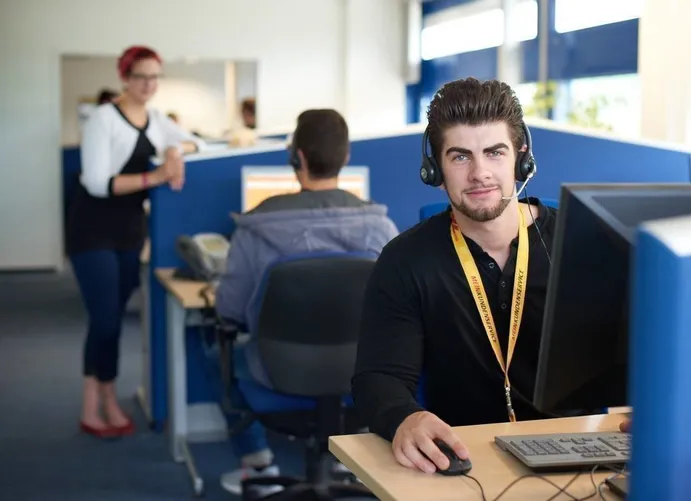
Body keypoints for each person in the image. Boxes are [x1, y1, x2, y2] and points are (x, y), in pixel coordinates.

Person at [351, 77, 630, 475]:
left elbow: (636, 355)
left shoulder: (583, 244)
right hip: (463, 458)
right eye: (460, 157)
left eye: (495, 153)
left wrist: (648, 409)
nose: (479, 173)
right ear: (435, 170)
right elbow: (379, 376)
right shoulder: (406, 259)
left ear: (521, 159)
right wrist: (403, 417)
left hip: (577, 456)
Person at [214, 108, 399, 495]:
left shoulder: (255, 229)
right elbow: (398, 311)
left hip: (276, 373)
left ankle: (258, 463)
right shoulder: (381, 228)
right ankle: (347, 457)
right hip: (362, 377)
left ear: (296, 157)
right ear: (346, 157)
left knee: (214, 346)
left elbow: (228, 311)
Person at [66, 45, 204, 439]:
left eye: (155, 77)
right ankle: (100, 402)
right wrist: (155, 177)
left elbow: (198, 143)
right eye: (141, 76)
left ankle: (100, 398)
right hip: (92, 229)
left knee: (107, 319)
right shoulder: (103, 119)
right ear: (125, 78)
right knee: (107, 320)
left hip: (129, 231)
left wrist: (174, 149)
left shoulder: (157, 120)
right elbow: (97, 182)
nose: (148, 84)